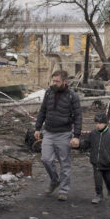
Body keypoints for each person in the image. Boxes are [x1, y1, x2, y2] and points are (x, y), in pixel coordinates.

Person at [34, 70, 82, 201]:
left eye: (57, 81)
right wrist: (37, 128)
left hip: (64, 134)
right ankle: (55, 180)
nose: (54, 83)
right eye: (53, 80)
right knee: (46, 159)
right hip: (48, 132)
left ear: (65, 82)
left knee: (64, 163)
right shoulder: (49, 93)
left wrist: (76, 136)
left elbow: (78, 117)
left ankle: (64, 190)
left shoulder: (72, 96)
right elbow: (43, 110)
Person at [81, 111, 110, 204]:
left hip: (107, 163)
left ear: (105, 123)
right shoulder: (93, 134)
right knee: (97, 180)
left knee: (108, 180)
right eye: (96, 123)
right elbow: (86, 143)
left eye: (100, 123)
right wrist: (77, 144)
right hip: (96, 163)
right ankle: (99, 195)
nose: (98, 125)